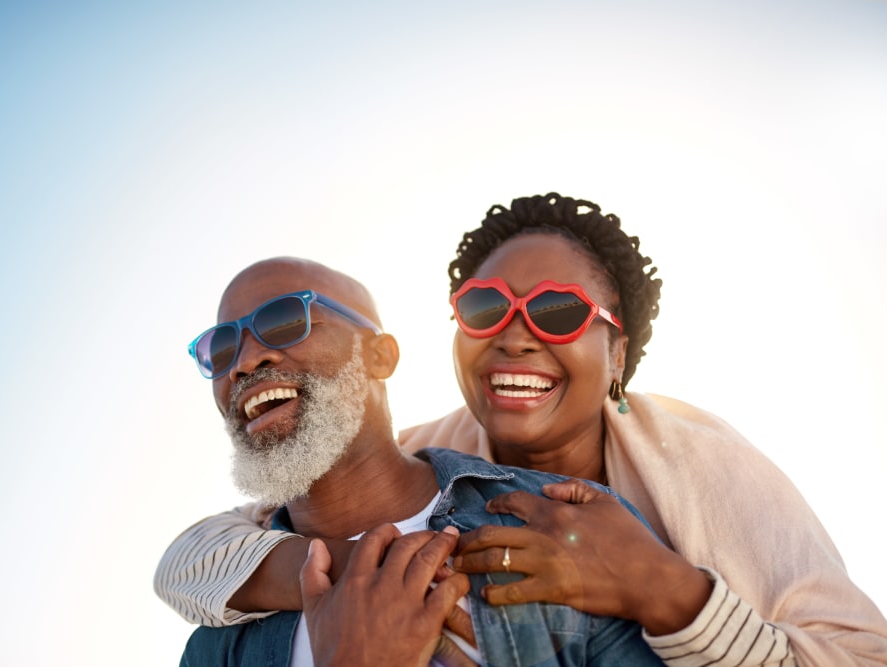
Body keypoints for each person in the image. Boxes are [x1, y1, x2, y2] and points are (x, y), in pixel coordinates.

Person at [156, 193, 887, 666]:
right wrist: (347, 574)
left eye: (559, 311)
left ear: (618, 354)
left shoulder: (699, 466)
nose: (515, 335)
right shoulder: (411, 456)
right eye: (484, 309)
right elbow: (202, 554)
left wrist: (665, 591)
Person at [176, 255, 667, 666]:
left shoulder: (564, 524)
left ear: (380, 356)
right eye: (221, 349)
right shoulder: (216, 644)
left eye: (283, 322)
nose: (244, 361)